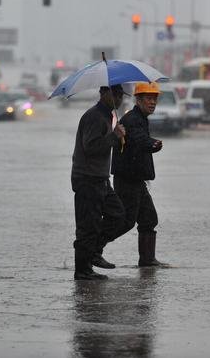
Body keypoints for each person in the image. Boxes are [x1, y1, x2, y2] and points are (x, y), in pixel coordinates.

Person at [71, 85, 128, 280]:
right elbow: (91, 146)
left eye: (121, 95)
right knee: (88, 225)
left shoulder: (108, 116)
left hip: (101, 179)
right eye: (114, 94)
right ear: (103, 94)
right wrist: (114, 136)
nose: (118, 98)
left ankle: (94, 252)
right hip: (88, 179)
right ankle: (82, 270)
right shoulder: (95, 116)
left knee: (118, 215)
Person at [111, 82, 168, 267]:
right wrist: (153, 144)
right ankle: (93, 247)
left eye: (155, 99)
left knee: (149, 218)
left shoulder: (141, 118)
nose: (153, 103)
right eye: (149, 99)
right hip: (127, 180)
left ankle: (147, 260)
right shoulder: (133, 119)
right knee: (125, 221)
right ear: (139, 100)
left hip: (136, 179)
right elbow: (138, 140)